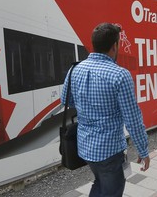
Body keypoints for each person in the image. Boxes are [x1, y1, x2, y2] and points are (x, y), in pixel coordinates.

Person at [61, 23, 150, 197]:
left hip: (85, 147)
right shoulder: (119, 75)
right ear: (114, 46)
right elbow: (133, 119)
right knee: (112, 191)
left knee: (101, 184)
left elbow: (65, 100)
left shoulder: (75, 69)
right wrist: (143, 150)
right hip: (109, 150)